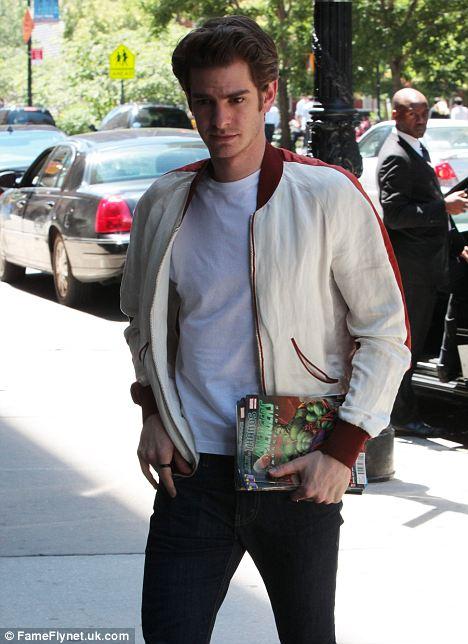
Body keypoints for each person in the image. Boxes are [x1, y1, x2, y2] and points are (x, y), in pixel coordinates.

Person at [121, 16, 410, 644]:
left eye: (236, 99)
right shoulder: (165, 203)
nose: (220, 119)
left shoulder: (327, 195)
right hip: (193, 473)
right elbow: (143, 326)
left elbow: (386, 334)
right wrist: (152, 413)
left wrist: (342, 452)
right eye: (204, 101)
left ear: (268, 94)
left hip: (296, 468)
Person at [377, 88, 468, 437]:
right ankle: (401, 415)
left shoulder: (416, 148)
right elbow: (395, 215)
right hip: (412, 270)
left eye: (425, 112)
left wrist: (457, 243)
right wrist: (443, 207)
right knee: (407, 345)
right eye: (413, 113)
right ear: (396, 115)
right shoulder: (396, 155)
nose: (421, 119)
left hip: (431, 264)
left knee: (420, 339)